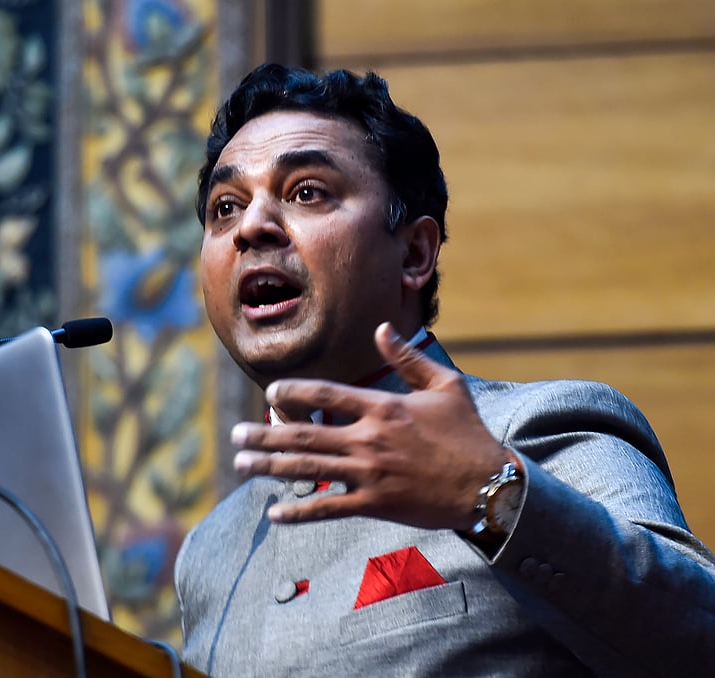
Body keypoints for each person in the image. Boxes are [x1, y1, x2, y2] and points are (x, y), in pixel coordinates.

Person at [174, 63, 715, 677]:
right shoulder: (211, 550)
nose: (250, 227)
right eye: (225, 207)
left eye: (306, 192)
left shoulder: (536, 427)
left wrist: (490, 495)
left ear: (414, 252)